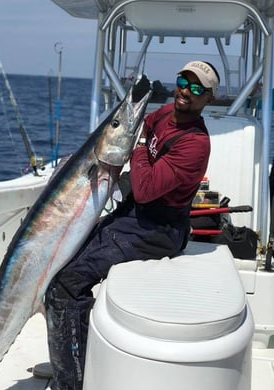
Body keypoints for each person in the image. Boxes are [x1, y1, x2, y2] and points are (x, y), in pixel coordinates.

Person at [44, 60, 220, 390]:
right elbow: (142, 125)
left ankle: (71, 382)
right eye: (184, 81)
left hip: (159, 230)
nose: (186, 91)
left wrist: (136, 145)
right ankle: (76, 360)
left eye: (198, 89)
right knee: (61, 265)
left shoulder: (195, 144)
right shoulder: (165, 113)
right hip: (134, 215)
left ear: (209, 98)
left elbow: (145, 188)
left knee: (66, 285)